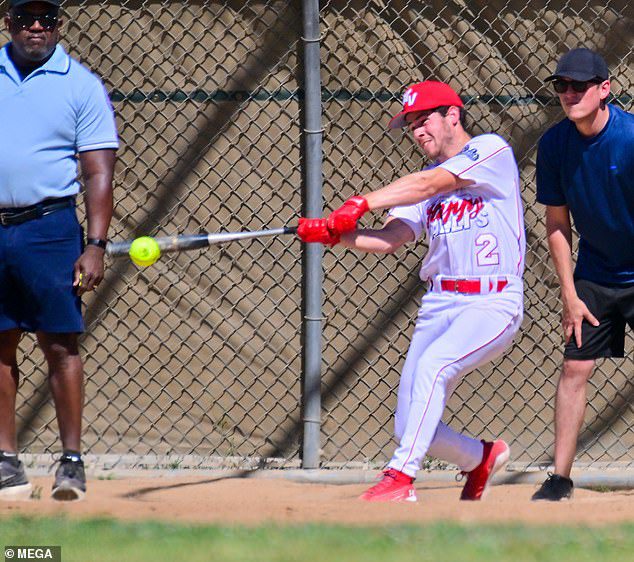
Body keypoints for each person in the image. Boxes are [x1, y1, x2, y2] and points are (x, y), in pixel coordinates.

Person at [298, 80, 526, 502]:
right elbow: (391, 238)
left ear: (452, 115)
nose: (418, 131)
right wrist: (333, 235)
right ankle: (481, 457)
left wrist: (360, 202)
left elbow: (430, 185)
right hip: (440, 301)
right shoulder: (426, 182)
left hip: (491, 300)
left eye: (424, 120)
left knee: (434, 367)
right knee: (409, 426)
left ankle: (401, 478)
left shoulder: (490, 151)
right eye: (412, 125)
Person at [0, 0, 118, 501]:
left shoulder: (80, 85)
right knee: (0, 344)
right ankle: (6, 460)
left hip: (49, 227)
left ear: (58, 25)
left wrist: (94, 244)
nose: (35, 27)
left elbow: (98, 172)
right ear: (8, 21)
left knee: (60, 344)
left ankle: (71, 461)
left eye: (45, 18)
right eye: (25, 17)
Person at [531, 48, 634, 501]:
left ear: (604, 89)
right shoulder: (555, 144)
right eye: (562, 86)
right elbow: (557, 223)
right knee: (575, 366)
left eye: (579, 86)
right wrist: (570, 294)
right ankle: (560, 478)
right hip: (595, 272)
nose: (569, 94)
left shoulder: (630, 139)